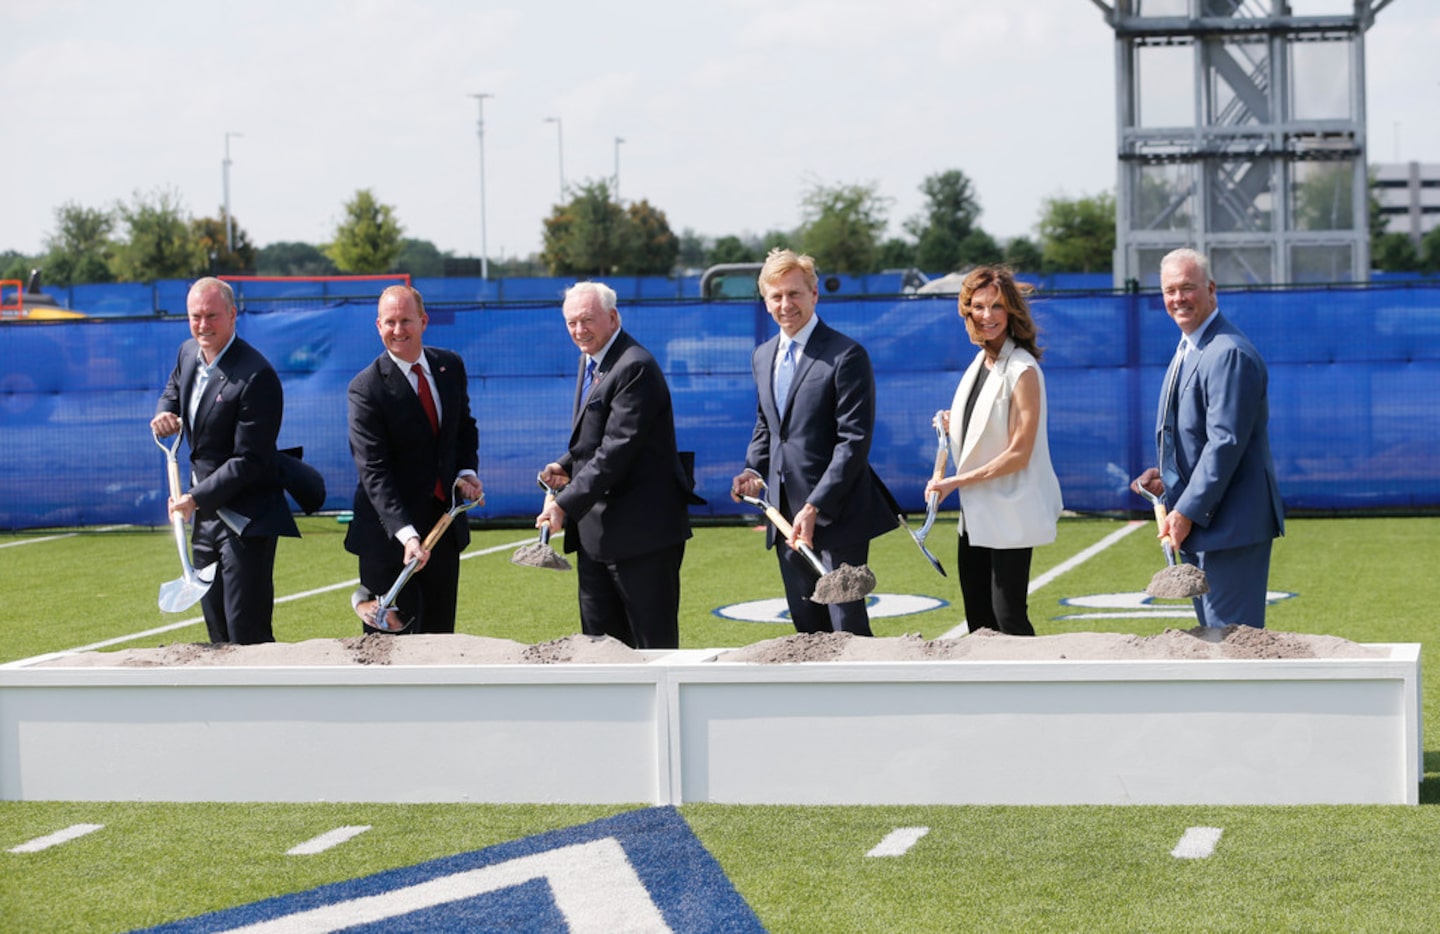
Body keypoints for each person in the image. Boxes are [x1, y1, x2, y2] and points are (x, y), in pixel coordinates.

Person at [731, 248, 896, 636]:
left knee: (847, 629)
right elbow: (767, 426)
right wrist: (753, 469)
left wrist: (815, 506)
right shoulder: (762, 355)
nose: (785, 304)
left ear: (814, 294)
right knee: (808, 629)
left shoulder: (846, 355)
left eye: (794, 294)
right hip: (784, 518)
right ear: (766, 301)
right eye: (776, 296)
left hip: (836, 515)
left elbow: (853, 441)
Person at [537, 281, 696, 649]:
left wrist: (563, 502)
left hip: (642, 538)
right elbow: (598, 438)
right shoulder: (591, 359)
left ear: (612, 317)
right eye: (571, 322)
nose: (579, 330)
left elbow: (616, 451)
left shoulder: (634, 366)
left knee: (652, 650)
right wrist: (566, 466)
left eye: (587, 320)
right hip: (597, 537)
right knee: (600, 652)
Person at [1132, 248, 1285, 629]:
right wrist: (1166, 477)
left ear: (1211, 289)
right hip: (1208, 524)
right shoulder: (1193, 345)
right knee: (1215, 644)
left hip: (1228, 527)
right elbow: (1199, 437)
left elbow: (1225, 445)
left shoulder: (1227, 352)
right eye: (1169, 290)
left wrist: (1183, 512)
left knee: (1231, 648)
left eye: (1188, 288)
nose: (1177, 299)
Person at [151, 277, 299, 645]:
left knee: (245, 632)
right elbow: (173, 389)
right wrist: (165, 413)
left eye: (212, 316)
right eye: (195, 316)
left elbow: (249, 459)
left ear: (233, 315)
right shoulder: (188, 353)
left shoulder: (256, 375)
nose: (203, 325)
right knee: (216, 631)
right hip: (205, 516)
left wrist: (195, 498)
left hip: (247, 518)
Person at [924, 266, 1063, 637]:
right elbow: (990, 419)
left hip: (1010, 513)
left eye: (997, 307)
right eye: (979, 307)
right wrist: (956, 422)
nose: (987, 316)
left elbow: (1020, 451)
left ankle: (1035, 693)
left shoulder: (1023, 369)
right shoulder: (982, 360)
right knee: (979, 621)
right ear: (967, 311)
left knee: (1008, 618)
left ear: (1012, 311)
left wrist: (954, 481)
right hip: (977, 515)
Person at [345, 285, 483, 634]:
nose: (398, 330)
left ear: (423, 321)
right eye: (389, 322)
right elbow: (374, 471)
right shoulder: (365, 388)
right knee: (388, 652)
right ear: (378, 325)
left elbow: (463, 427)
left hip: (443, 532)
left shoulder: (449, 366)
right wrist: (406, 536)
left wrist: (466, 472)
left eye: (406, 321)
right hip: (387, 537)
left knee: (439, 639)